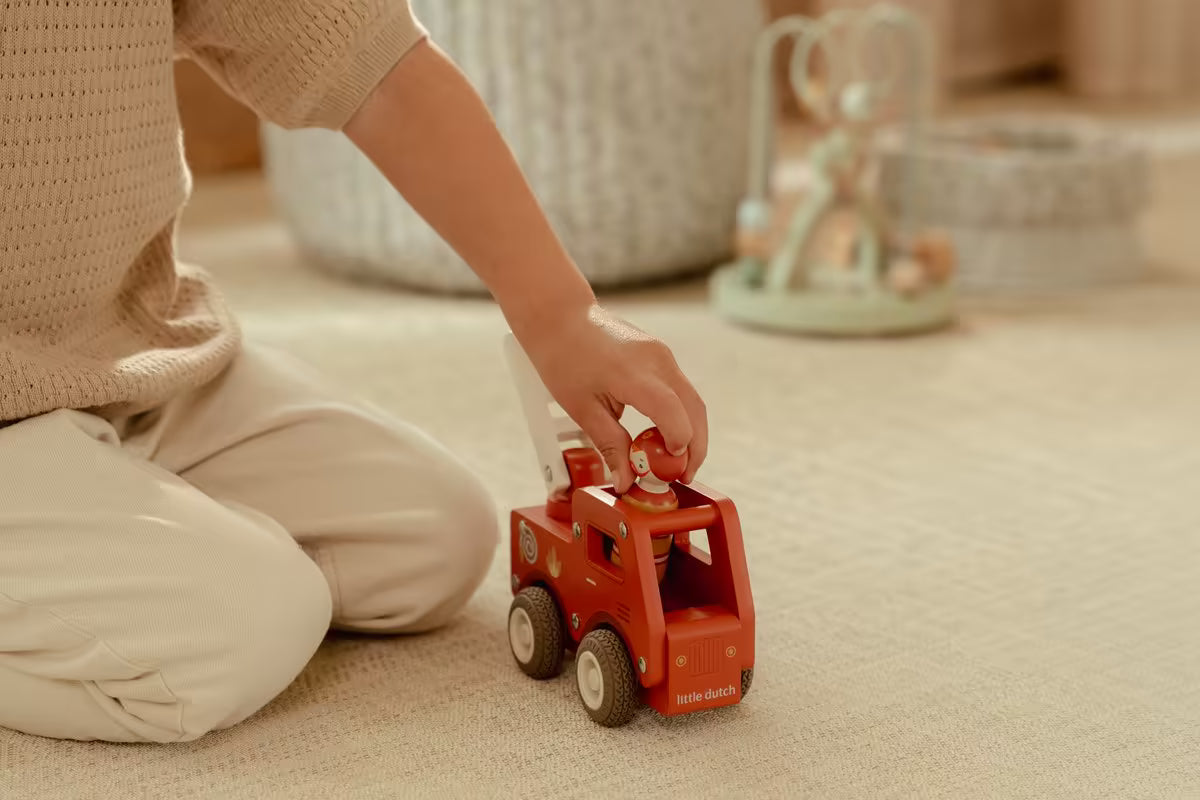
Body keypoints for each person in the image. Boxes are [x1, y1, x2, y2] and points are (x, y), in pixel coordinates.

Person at [0, 1, 708, 743]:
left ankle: (120, 544)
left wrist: (559, 315)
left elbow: (371, 62)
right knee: (241, 629)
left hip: (124, 352)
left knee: (436, 538)